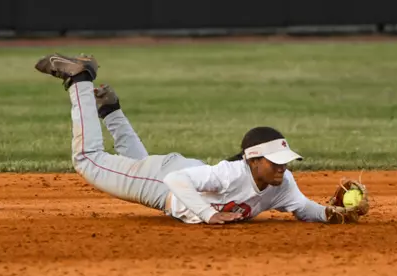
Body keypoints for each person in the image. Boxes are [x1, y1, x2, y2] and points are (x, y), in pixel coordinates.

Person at [34, 53, 369, 225]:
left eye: (284, 161)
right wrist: (209, 216)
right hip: (164, 183)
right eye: (275, 161)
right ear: (252, 161)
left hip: (178, 171)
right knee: (87, 160)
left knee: (139, 164)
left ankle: (111, 110)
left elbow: (304, 209)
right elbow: (176, 180)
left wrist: (332, 213)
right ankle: (79, 80)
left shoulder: (283, 185)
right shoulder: (231, 174)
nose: (282, 167)